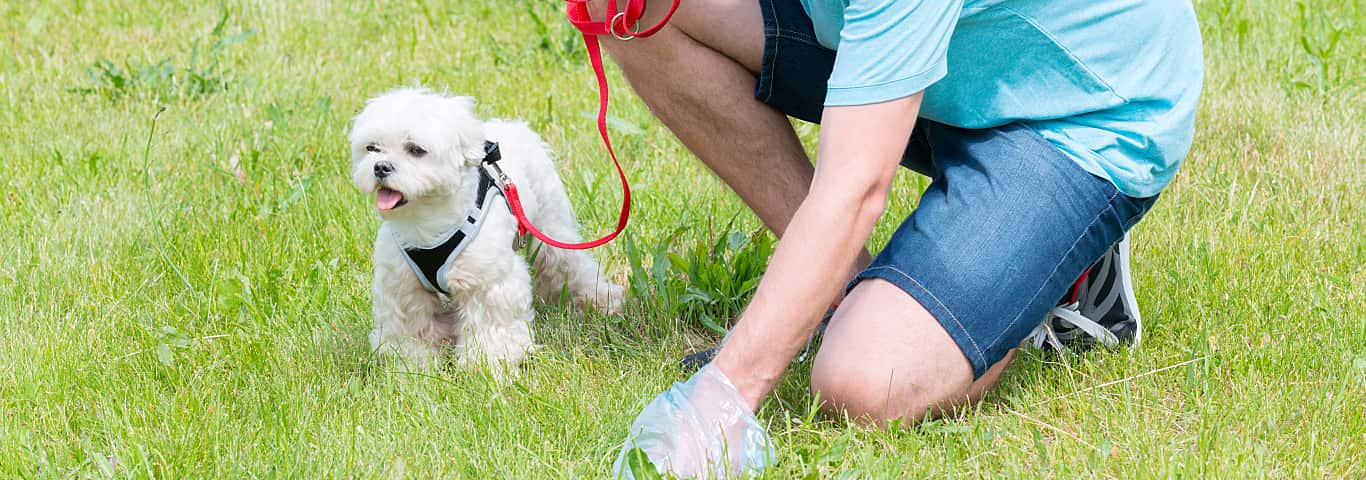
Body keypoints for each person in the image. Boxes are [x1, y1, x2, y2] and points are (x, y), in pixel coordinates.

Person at [586, 0, 1204, 476]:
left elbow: (854, 184)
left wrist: (721, 400)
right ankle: (841, 295)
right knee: (635, 8)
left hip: (1077, 111)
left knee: (864, 380)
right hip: (948, 55)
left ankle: (1062, 264)